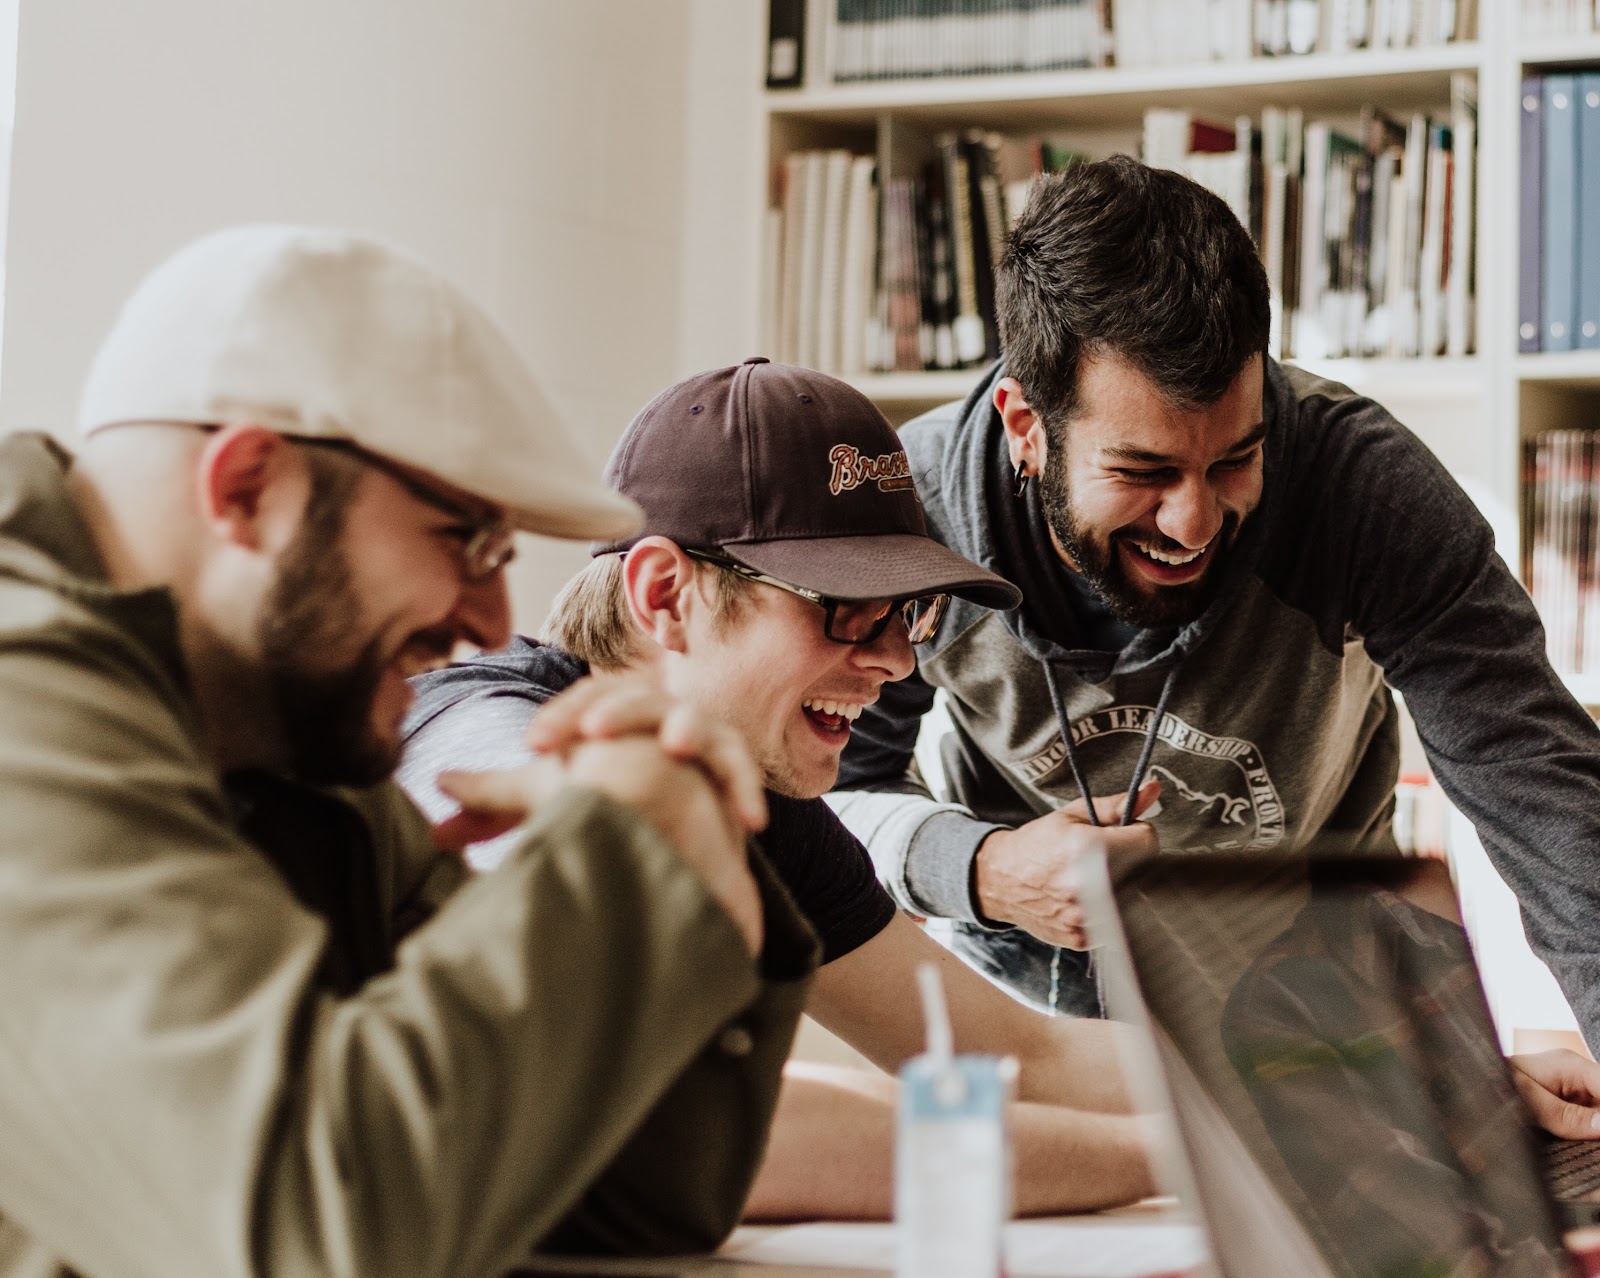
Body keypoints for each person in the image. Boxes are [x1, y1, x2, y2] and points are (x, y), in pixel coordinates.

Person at [0, 225, 822, 1278]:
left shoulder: (280, 735)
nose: (490, 623)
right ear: (248, 486)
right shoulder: (27, 701)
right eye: (465, 541)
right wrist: (621, 854)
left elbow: (625, 1201)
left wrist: (691, 845)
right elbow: (321, 1230)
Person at [829, 156, 1600, 1072]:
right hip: (1026, 1021)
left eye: (1235, 458)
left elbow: (1542, 788)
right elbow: (828, 798)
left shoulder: (1366, 491)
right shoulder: (916, 520)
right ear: (1025, 424)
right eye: (1143, 472)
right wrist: (982, 870)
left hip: (1322, 1006)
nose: (1193, 522)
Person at [401, 358, 1169, 1219]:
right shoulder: (484, 740)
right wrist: (1183, 1157)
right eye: (847, 608)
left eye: (908, 613)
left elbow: (1014, 1055)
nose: (897, 661)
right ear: (665, 595)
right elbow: (679, 1123)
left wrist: (1297, 1080)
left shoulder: (761, 803)